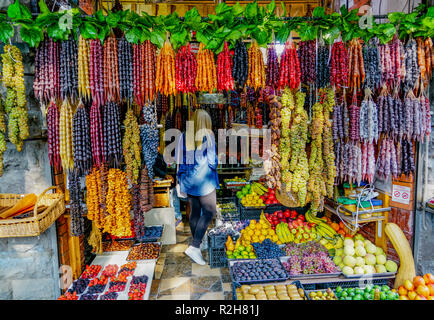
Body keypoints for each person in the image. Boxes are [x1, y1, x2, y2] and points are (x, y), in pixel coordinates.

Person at [176, 109, 219, 265]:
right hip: (204, 183)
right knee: (209, 211)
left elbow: (179, 160)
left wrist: (180, 180)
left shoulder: (182, 136)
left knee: (194, 212)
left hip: (188, 181)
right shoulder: (208, 137)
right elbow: (212, 162)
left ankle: (197, 244)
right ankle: (195, 246)